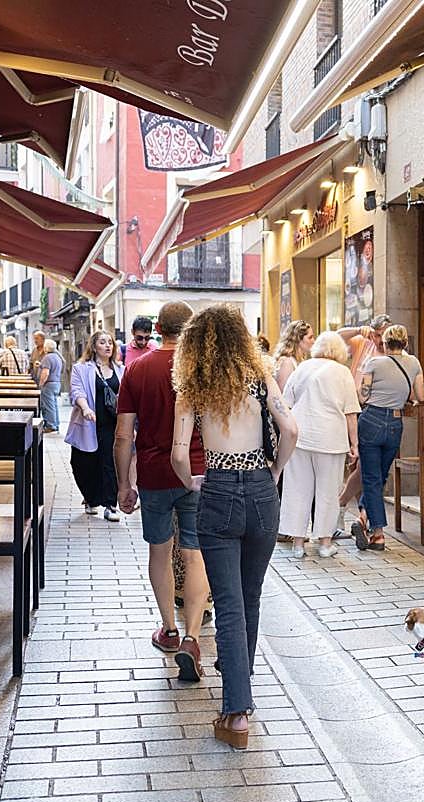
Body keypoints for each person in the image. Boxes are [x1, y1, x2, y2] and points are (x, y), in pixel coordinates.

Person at [170, 304, 298, 750]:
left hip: (219, 489)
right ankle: (239, 675)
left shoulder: (194, 387)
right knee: (250, 595)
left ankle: (236, 712)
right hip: (262, 490)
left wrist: (193, 483)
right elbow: (290, 429)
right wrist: (275, 472)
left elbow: (179, 454)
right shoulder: (262, 378)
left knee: (227, 602)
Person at [115, 301, 211, 678]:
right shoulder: (201, 369)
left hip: (154, 474)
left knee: (160, 550)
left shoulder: (137, 369)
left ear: (157, 327)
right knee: (194, 553)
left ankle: (168, 629)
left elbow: (123, 435)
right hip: (199, 472)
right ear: (191, 328)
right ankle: (192, 636)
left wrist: (125, 483)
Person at [279, 331, 360, 559]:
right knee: (327, 491)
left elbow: (286, 403)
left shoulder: (302, 367)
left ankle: (297, 544)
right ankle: (324, 544)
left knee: (297, 489)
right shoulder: (342, 372)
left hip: (301, 438)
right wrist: (355, 444)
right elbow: (350, 413)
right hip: (331, 439)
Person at [354, 324, 424, 551]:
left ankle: (378, 533)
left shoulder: (374, 362)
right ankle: (363, 517)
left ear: (384, 343)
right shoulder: (413, 363)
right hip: (395, 423)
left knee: (371, 478)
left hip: (372, 419)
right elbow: (420, 396)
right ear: (405, 343)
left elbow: (362, 396)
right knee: (381, 476)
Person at [334, 314, 391, 530]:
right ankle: (361, 513)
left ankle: (351, 509)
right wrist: (359, 330)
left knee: (366, 466)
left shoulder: (395, 352)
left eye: (383, 335)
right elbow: (336, 336)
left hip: (376, 411)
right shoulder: (363, 343)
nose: (379, 340)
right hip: (354, 408)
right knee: (358, 464)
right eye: (376, 335)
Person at [65, 330, 125, 520]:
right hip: (88, 423)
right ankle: (90, 498)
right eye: (102, 342)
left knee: (110, 463)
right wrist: (85, 408)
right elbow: (77, 391)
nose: (107, 346)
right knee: (83, 464)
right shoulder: (81, 368)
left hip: (112, 425)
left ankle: (110, 505)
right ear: (94, 346)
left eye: (110, 342)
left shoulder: (120, 369)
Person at [272, 319, 315, 391]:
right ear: (298, 339)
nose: (313, 341)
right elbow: (282, 394)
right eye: (310, 337)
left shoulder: (301, 360)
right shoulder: (287, 362)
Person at [38, 338, 64, 433]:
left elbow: (46, 373)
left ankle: (50, 425)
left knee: (48, 405)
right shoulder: (57, 357)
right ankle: (56, 424)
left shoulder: (47, 357)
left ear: (46, 348)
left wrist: (41, 384)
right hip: (56, 383)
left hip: (48, 384)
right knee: (54, 405)